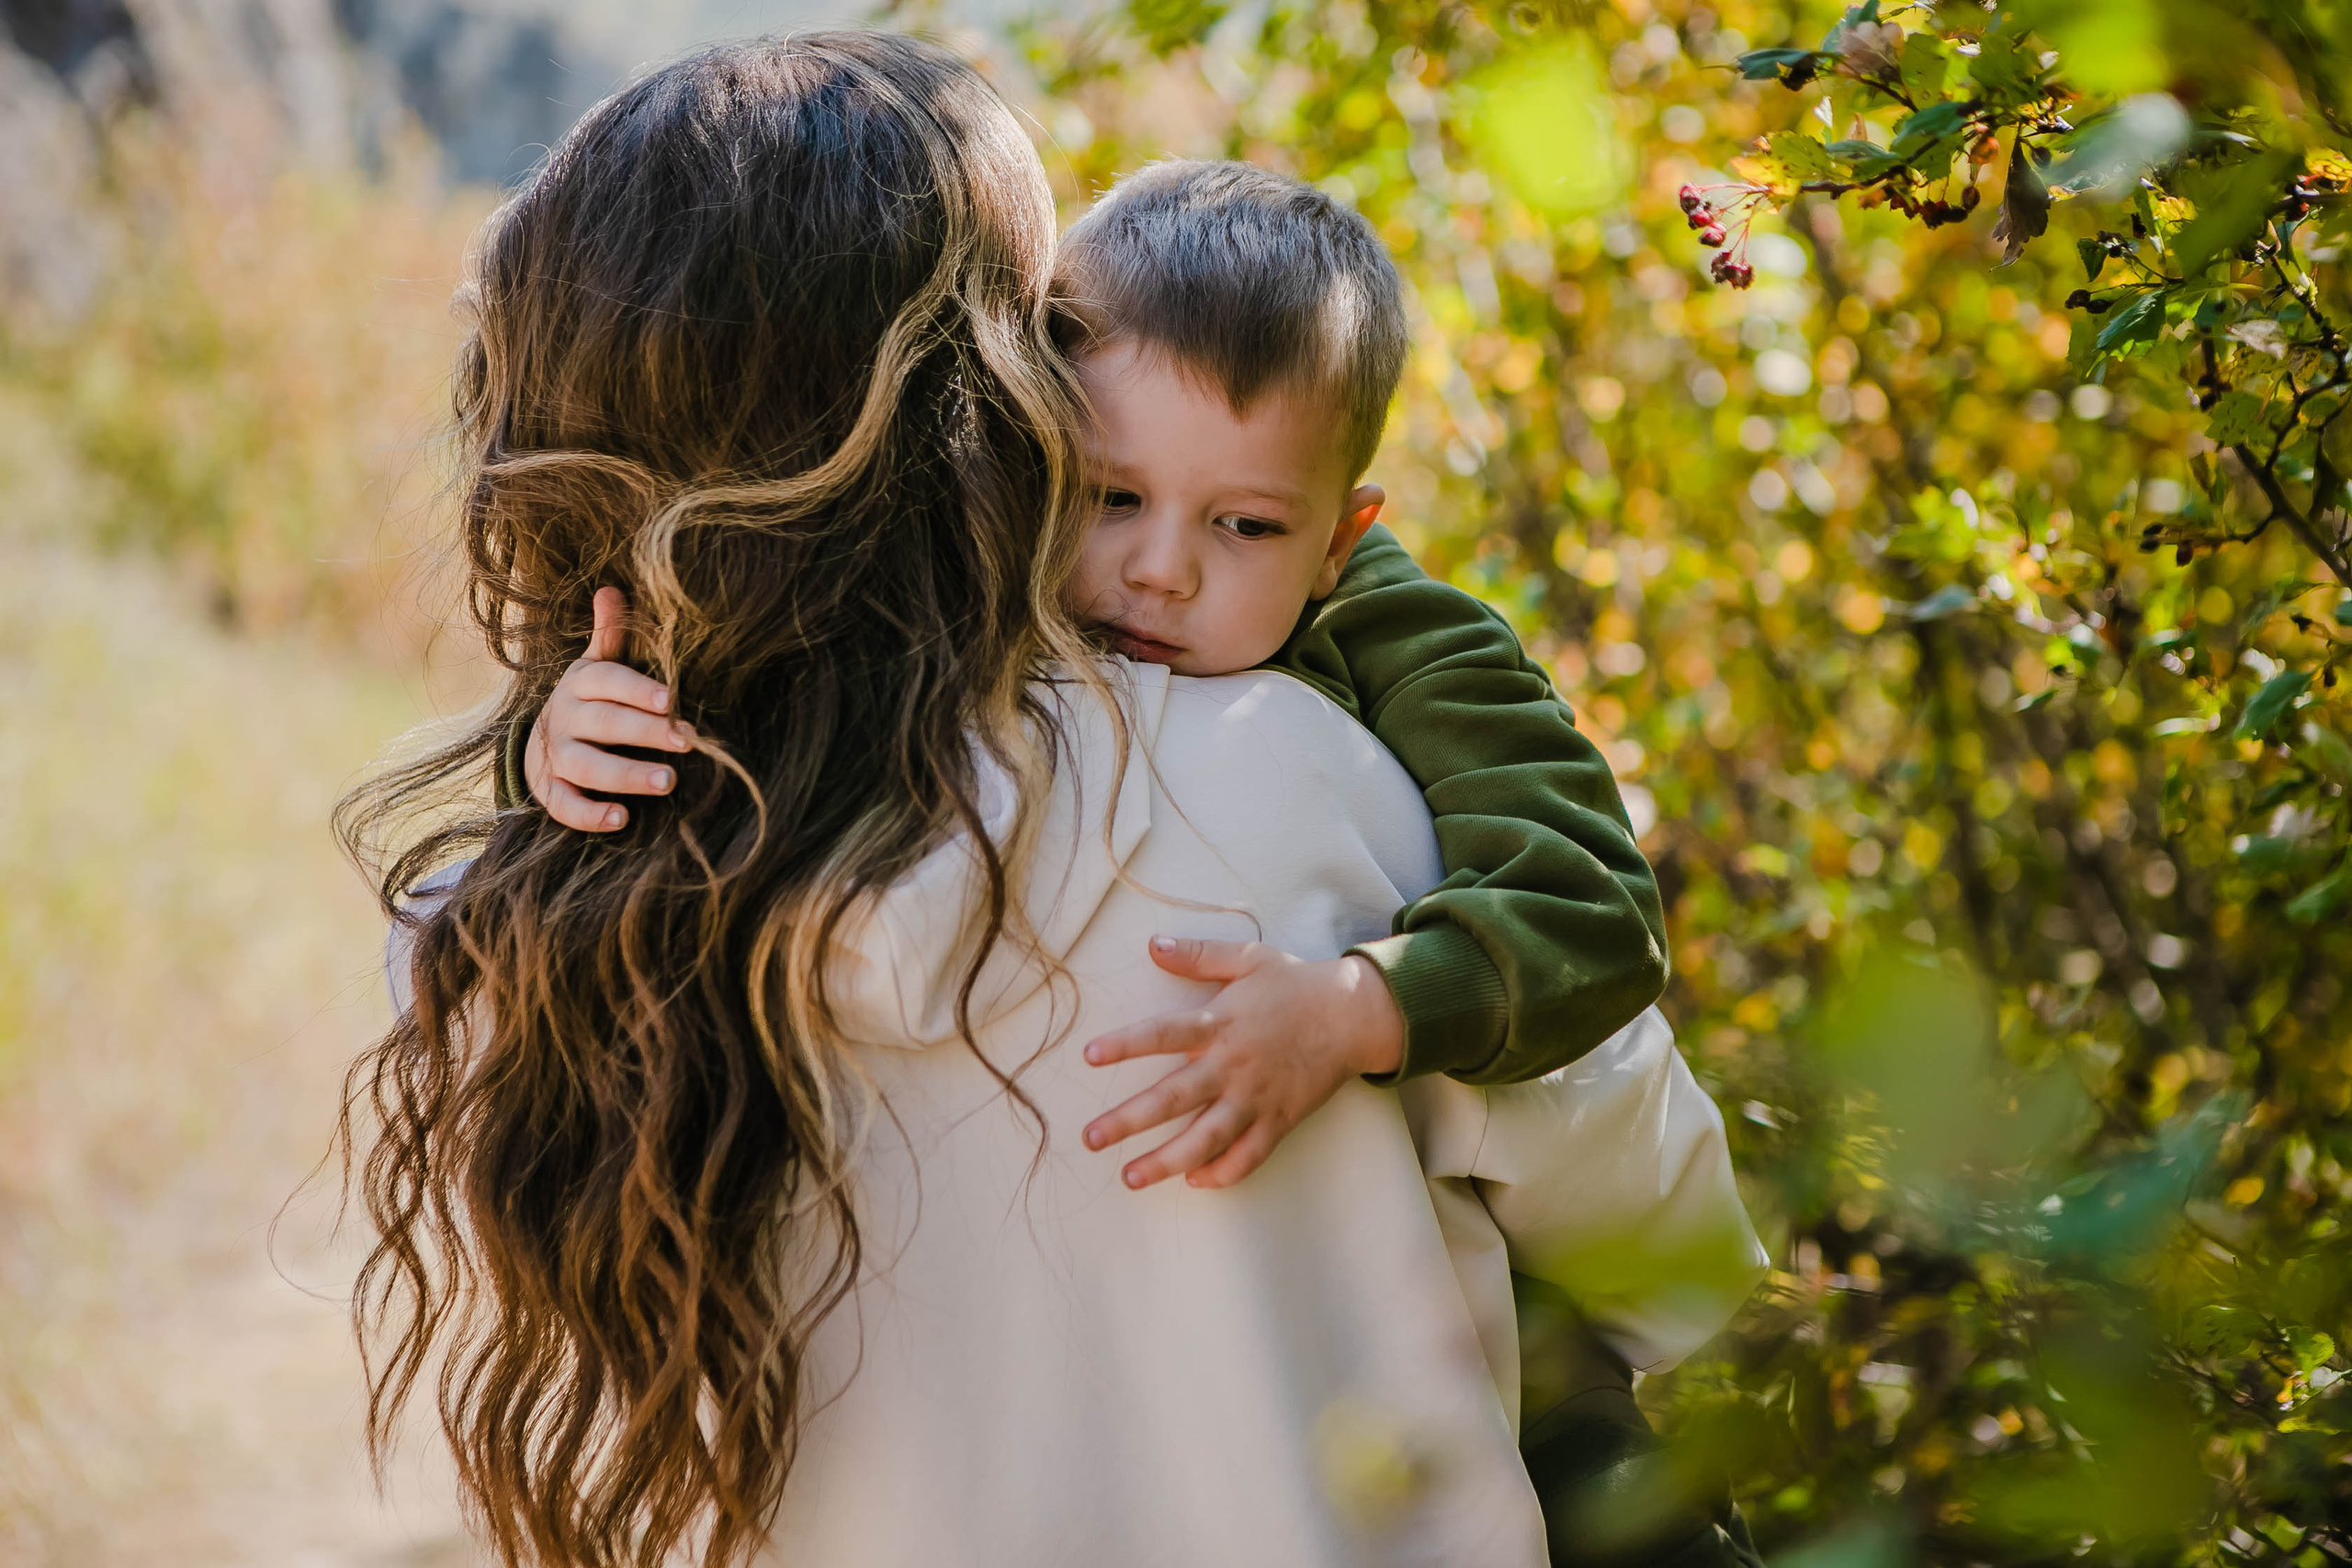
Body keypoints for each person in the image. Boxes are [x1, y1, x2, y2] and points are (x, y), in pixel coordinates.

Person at [343, 36, 1759, 1567]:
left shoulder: (532, 931)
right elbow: (1678, 1262)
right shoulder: (1309, 792)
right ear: (991, 402)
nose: (1160, 563)